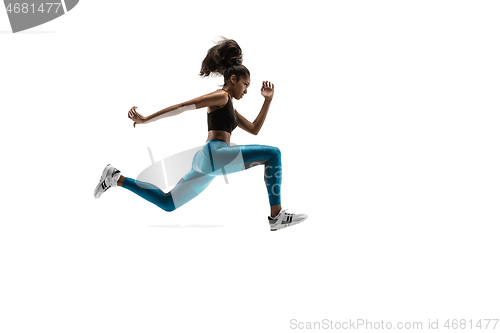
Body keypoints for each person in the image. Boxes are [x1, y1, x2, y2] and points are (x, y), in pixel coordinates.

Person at [94, 38, 307, 231]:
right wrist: (146, 119)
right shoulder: (221, 96)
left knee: (168, 203)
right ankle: (276, 215)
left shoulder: (230, 105)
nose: (246, 90)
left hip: (209, 162)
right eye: (245, 85)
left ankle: (115, 178)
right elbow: (183, 106)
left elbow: (253, 129)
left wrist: (267, 100)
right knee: (273, 154)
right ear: (233, 79)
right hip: (215, 154)